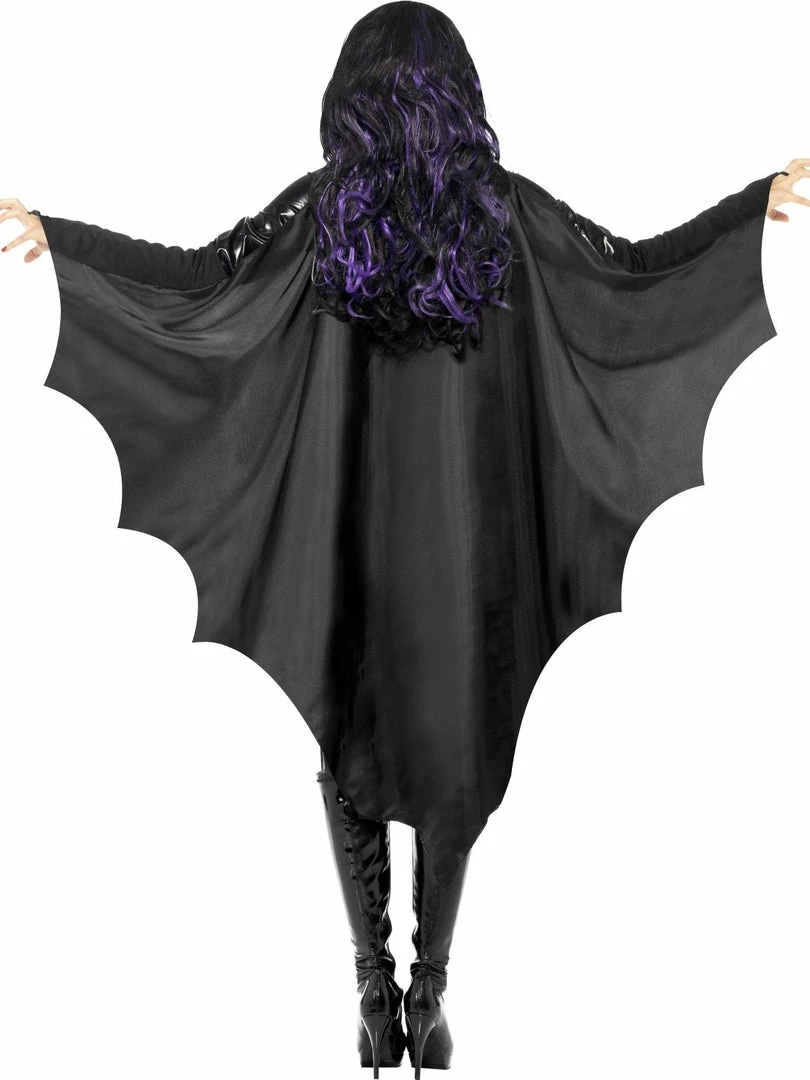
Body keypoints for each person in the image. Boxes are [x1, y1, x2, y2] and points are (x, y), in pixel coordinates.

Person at [1, 2, 805, 1076]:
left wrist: (65, 240)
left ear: (353, 99)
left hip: (351, 542)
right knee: (457, 749)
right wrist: (751, 208)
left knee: (348, 737)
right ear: (460, 98)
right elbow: (633, 269)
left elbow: (201, 275)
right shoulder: (505, 216)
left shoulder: (325, 216)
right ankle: (429, 993)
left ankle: (374, 996)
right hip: (473, 553)